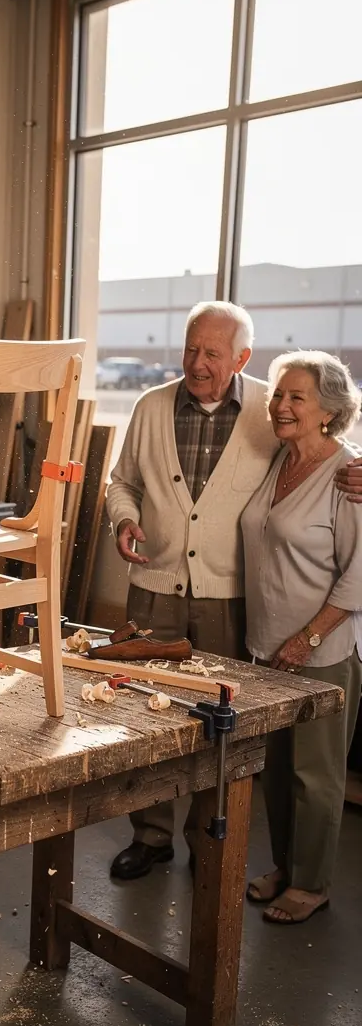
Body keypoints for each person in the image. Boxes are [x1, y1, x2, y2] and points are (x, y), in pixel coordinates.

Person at [104, 301, 362, 881]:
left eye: (213, 354)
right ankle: (150, 835)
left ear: (243, 358)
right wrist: (124, 518)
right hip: (154, 588)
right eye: (191, 349)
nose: (197, 363)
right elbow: (122, 483)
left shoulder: (271, 412)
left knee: (220, 726)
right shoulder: (150, 406)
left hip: (231, 597)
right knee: (145, 715)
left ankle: (209, 839)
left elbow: (329, 455)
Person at [241, 352, 362, 924]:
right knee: (278, 769)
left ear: (328, 411)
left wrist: (308, 638)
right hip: (267, 647)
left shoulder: (348, 475)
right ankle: (286, 866)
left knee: (315, 776)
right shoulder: (279, 460)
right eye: (278, 394)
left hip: (321, 651)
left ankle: (311, 884)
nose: (281, 406)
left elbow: (359, 573)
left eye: (297, 397)